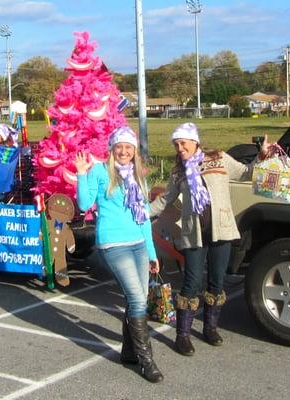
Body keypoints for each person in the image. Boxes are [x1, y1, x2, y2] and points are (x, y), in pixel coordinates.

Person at [149, 122, 269, 356]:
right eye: (176, 144)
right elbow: (164, 201)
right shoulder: (178, 171)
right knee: (191, 283)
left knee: (217, 280)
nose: (180, 148)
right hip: (194, 233)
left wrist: (262, 156)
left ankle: (210, 328)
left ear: (195, 142)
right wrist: (140, 212)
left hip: (221, 229)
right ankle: (182, 335)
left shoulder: (219, 159)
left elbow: (246, 173)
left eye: (183, 143)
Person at [75, 126, 163, 383]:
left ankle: (128, 353)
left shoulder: (138, 176)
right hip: (113, 244)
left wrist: (151, 252)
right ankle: (147, 362)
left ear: (134, 150)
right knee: (136, 299)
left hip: (137, 243)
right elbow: (83, 204)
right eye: (119, 147)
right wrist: (82, 174)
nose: (124, 151)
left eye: (128, 147)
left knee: (138, 298)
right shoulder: (100, 171)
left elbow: (144, 217)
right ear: (112, 149)